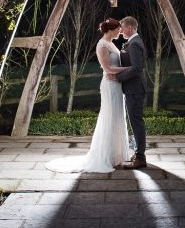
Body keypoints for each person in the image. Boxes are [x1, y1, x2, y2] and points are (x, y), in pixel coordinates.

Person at [44, 18, 129, 173]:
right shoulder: (102, 45)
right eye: (118, 29)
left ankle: (115, 155)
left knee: (117, 117)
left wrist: (122, 71)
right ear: (111, 29)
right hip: (109, 85)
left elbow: (114, 67)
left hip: (117, 84)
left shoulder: (112, 44)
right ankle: (104, 156)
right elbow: (108, 68)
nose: (120, 31)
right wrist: (129, 69)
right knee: (109, 117)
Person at [110, 16, 148, 169]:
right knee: (135, 121)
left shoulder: (135, 44)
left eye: (123, 27)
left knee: (136, 122)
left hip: (135, 88)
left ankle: (140, 158)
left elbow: (137, 68)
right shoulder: (132, 42)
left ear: (130, 28)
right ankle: (138, 153)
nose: (120, 31)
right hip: (133, 88)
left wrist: (117, 77)